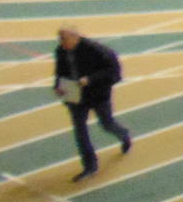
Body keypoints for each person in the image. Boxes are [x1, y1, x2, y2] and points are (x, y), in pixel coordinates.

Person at [53, 27, 133, 182]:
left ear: (75, 38)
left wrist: (90, 79)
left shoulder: (96, 50)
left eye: (65, 41)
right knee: (80, 131)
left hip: (98, 95)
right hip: (76, 97)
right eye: (61, 41)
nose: (63, 44)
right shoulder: (61, 51)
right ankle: (90, 166)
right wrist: (58, 85)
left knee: (107, 124)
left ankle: (123, 135)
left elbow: (113, 71)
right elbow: (60, 71)